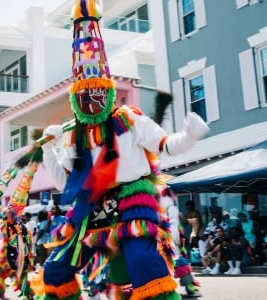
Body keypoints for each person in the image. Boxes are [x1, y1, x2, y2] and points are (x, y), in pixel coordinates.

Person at [30, 1, 209, 299]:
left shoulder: (128, 118)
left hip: (132, 200)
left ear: (109, 91)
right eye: (84, 94)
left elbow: (166, 145)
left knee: (143, 261)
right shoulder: (76, 135)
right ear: (76, 99)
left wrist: (189, 136)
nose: (91, 99)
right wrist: (50, 151)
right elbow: (66, 184)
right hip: (90, 207)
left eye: (98, 92)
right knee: (56, 267)